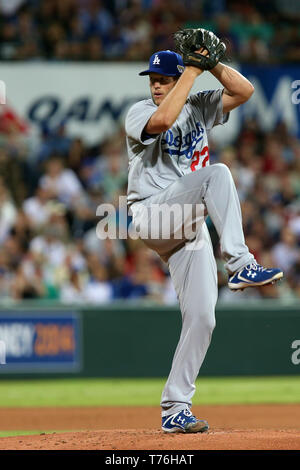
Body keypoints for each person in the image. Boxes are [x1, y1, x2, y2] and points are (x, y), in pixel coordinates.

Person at [125, 45, 283, 433]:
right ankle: (241, 262)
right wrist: (191, 74)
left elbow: (244, 92)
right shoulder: (139, 111)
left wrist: (210, 64)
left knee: (202, 317)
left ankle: (175, 407)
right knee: (218, 174)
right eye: (154, 80)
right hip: (151, 213)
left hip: (187, 226)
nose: (157, 86)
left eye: (165, 80)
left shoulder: (200, 104)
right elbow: (162, 121)